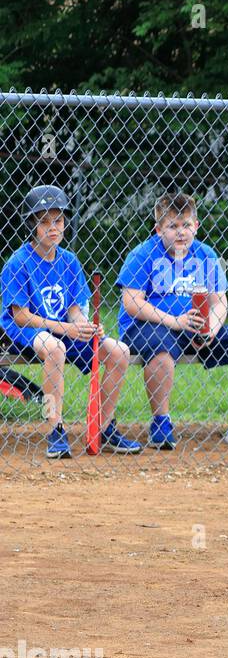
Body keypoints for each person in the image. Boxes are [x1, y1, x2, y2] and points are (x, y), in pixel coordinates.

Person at [116, 192, 228, 448]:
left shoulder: (205, 254)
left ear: (196, 226)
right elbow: (133, 303)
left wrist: (210, 329)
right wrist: (174, 321)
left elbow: (219, 301)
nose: (181, 232)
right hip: (147, 326)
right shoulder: (143, 254)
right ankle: (161, 420)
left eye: (186, 225)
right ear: (159, 230)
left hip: (193, 326)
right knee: (161, 349)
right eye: (172, 226)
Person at [1, 185, 140, 458]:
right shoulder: (18, 262)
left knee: (118, 351)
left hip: (61, 329)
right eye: (44, 222)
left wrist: (85, 326)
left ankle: (104, 426)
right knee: (55, 348)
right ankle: (55, 427)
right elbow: (21, 315)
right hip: (25, 330)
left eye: (58, 220)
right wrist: (67, 328)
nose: (53, 227)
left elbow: (75, 310)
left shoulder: (69, 261)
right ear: (32, 226)